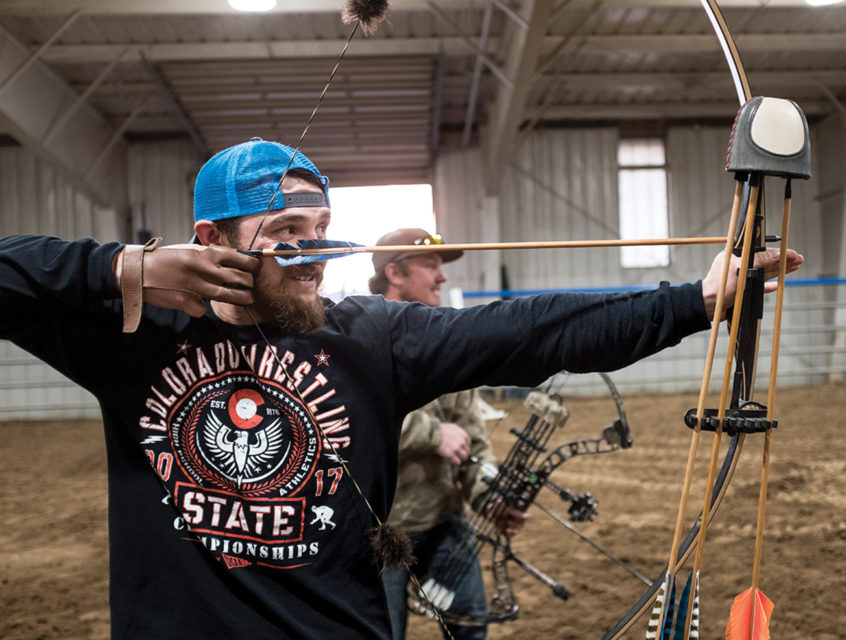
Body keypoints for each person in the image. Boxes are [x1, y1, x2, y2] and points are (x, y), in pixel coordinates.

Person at [0, 138, 803, 640]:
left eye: (320, 234)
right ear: (209, 241)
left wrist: (695, 301)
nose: (314, 254)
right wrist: (121, 268)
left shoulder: (369, 333)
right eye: (286, 235)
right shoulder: (134, 332)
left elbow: (528, 331)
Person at [370, 228, 528, 639]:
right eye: (431, 265)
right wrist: (431, 432)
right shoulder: (359, 339)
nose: (442, 277)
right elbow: (348, 418)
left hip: (446, 518)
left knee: (470, 628)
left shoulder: (447, 341)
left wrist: (490, 497)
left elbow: (473, 437)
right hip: (380, 527)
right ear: (395, 273)